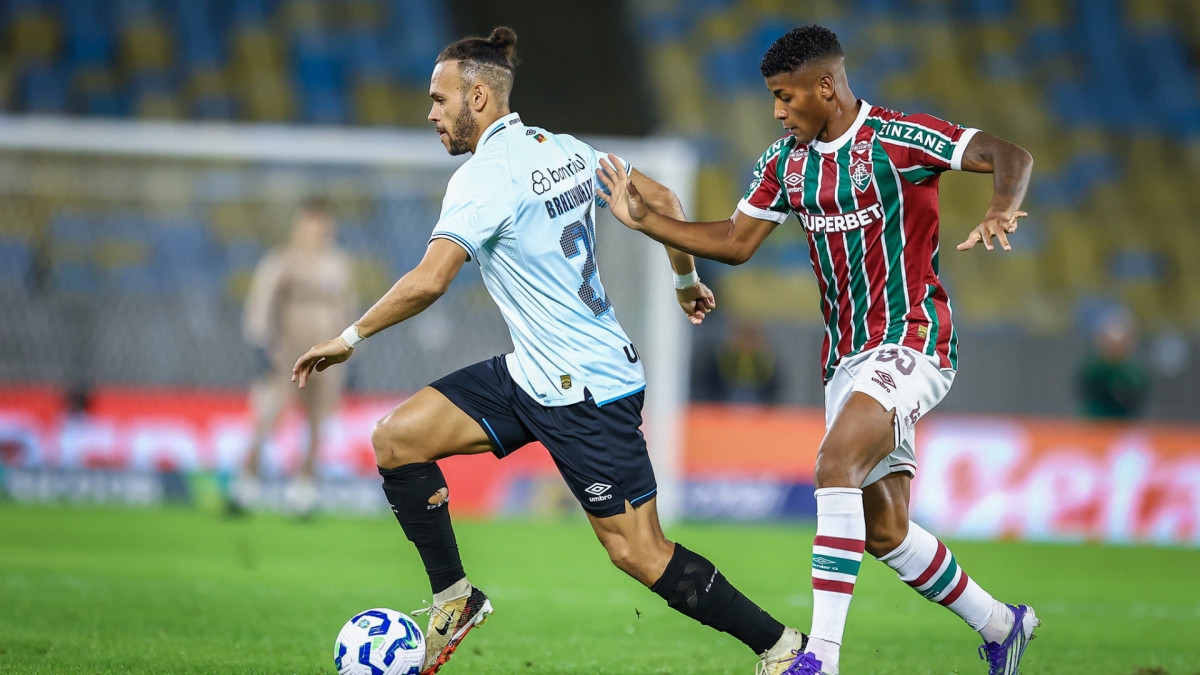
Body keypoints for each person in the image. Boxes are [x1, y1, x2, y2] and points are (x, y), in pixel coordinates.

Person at [292, 27, 807, 675]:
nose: (430, 112)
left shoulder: (484, 178)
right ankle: (455, 598)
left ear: (478, 96)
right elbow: (667, 201)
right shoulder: (563, 149)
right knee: (398, 439)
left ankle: (783, 650)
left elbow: (429, 279)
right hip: (534, 373)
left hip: (588, 390)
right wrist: (685, 279)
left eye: (438, 98)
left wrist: (348, 338)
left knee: (639, 553)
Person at [596, 25, 1038, 675]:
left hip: (913, 339)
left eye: (784, 96)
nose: (777, 110)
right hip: (846, 358)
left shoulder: (900, 138)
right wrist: (649, 223)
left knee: (834, 463)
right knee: (885, 530)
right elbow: (738, 239)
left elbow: (1010, 154)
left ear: (824, 86)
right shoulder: (786, 162)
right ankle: (1004, 623)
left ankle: (820, 660)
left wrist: (1001, 204)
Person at [230, 198, 356, 518]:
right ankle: (246, 482)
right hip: (287, 353)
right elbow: (262, 302)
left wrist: (351, 352)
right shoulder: (283, 261)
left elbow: (349, 311)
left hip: (327, 357)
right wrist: (260, 343)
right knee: (267, 416)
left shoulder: (338, 264)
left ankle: (304, 489)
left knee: (317, 423)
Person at [1078, 307, 1149, 418]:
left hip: (1125, 425)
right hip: (1095, 424)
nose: (1116, 348)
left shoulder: (1133, 371)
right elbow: (1086, 395)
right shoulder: (1094, 369)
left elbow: (1137, 397)